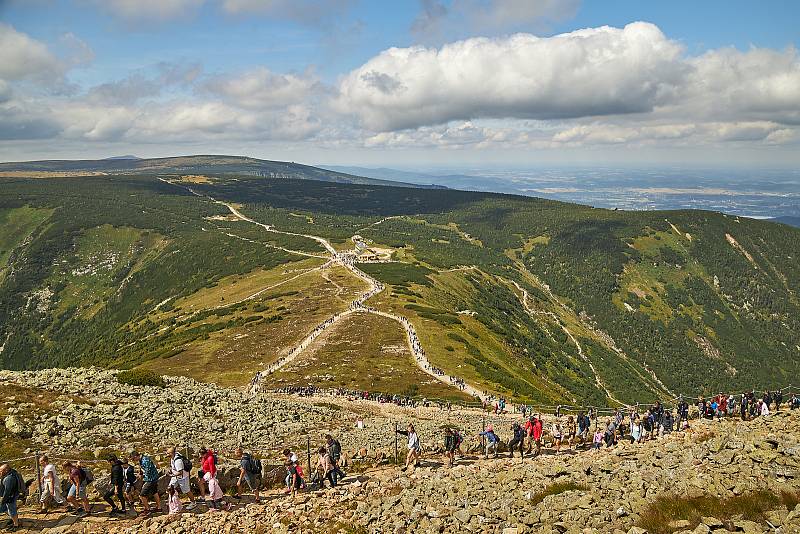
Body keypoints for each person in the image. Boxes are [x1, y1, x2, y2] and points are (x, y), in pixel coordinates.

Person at [130, 451, 161, 516]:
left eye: (133, 459)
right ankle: (159, 507)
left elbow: (147, 471)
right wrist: (140, 473)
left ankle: (147, 509)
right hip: (154, 478)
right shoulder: (142, 459)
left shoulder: (145, 461)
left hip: (151, 479)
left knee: (142, 495)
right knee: (154, 492)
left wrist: (142, 476)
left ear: (136, 456)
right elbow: (142, 468)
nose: (133, 461)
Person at [0, 464, 21, 530]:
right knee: (4, 509)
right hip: (11, 495)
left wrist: (3, 500)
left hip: (10, 497)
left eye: (1, 470)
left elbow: (7, 491)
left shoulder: (9, 478)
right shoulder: (11, 473)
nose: (0, 472)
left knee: (12, 510)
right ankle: (13, 519)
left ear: (6, 470)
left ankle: (16, 525)